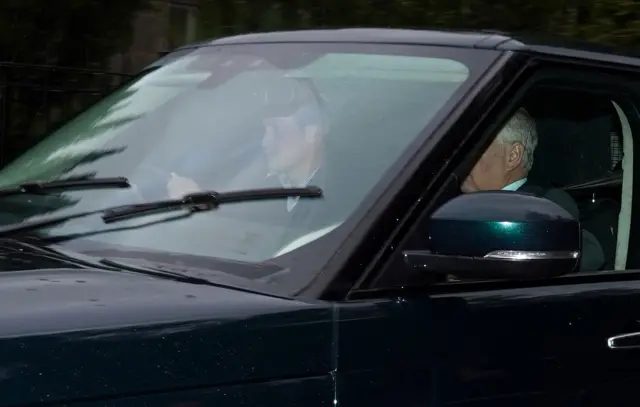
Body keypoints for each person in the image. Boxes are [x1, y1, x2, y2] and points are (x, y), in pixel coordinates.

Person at [461, 107, 605, 271]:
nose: (462, 157)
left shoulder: (545, 205)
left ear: (513, 156)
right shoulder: (447, 203)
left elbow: (587, 256)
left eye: (475, 146)